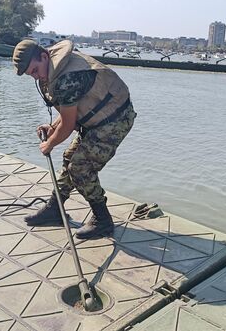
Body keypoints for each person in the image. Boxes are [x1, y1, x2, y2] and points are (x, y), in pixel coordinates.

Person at [12, 39, 136, 239]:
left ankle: (102, 220)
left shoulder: (67, 77)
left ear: (44, 56)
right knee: (70, 157)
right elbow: (72, 110)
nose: (36, 77)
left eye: (35, 71)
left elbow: (69, 125)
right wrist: (52, 127)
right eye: (31, 75)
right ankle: (55, 209)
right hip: (97, 118)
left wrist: (49, 143)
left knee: (80, 167)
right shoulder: (53, 68)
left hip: (115, 120)